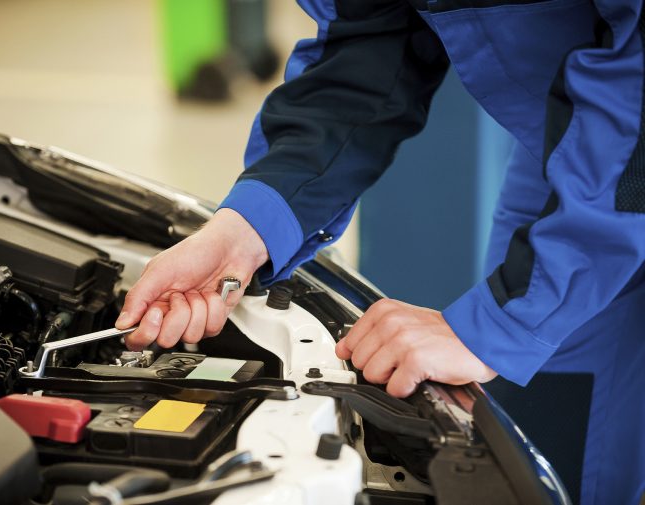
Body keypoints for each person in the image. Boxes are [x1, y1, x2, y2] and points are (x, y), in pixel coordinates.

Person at [115, 1, 645, 504]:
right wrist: (248, 226)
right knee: (548, 443)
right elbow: (370, 38)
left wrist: (503, 323)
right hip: (579, 141)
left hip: (625, 153)